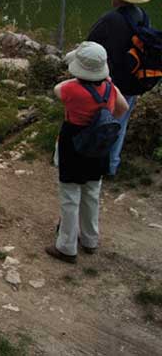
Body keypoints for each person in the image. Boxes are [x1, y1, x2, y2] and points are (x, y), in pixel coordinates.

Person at [46, 42, 128, 263]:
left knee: (70, 195)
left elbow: (57, 89)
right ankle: (90, 239)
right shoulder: (111, 89)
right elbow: (123, 109)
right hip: (99, 146)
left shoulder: (71, 89)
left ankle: (66, 246)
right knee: (92, 192)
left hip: (73, 144)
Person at [86, 0, 153, 177]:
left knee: (97, 122)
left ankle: (91, 164)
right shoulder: (142, 16)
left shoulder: (110, 19)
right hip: (132, 82)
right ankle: (112, 166)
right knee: (119, 124)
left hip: (108, 83)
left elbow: (89, 45)